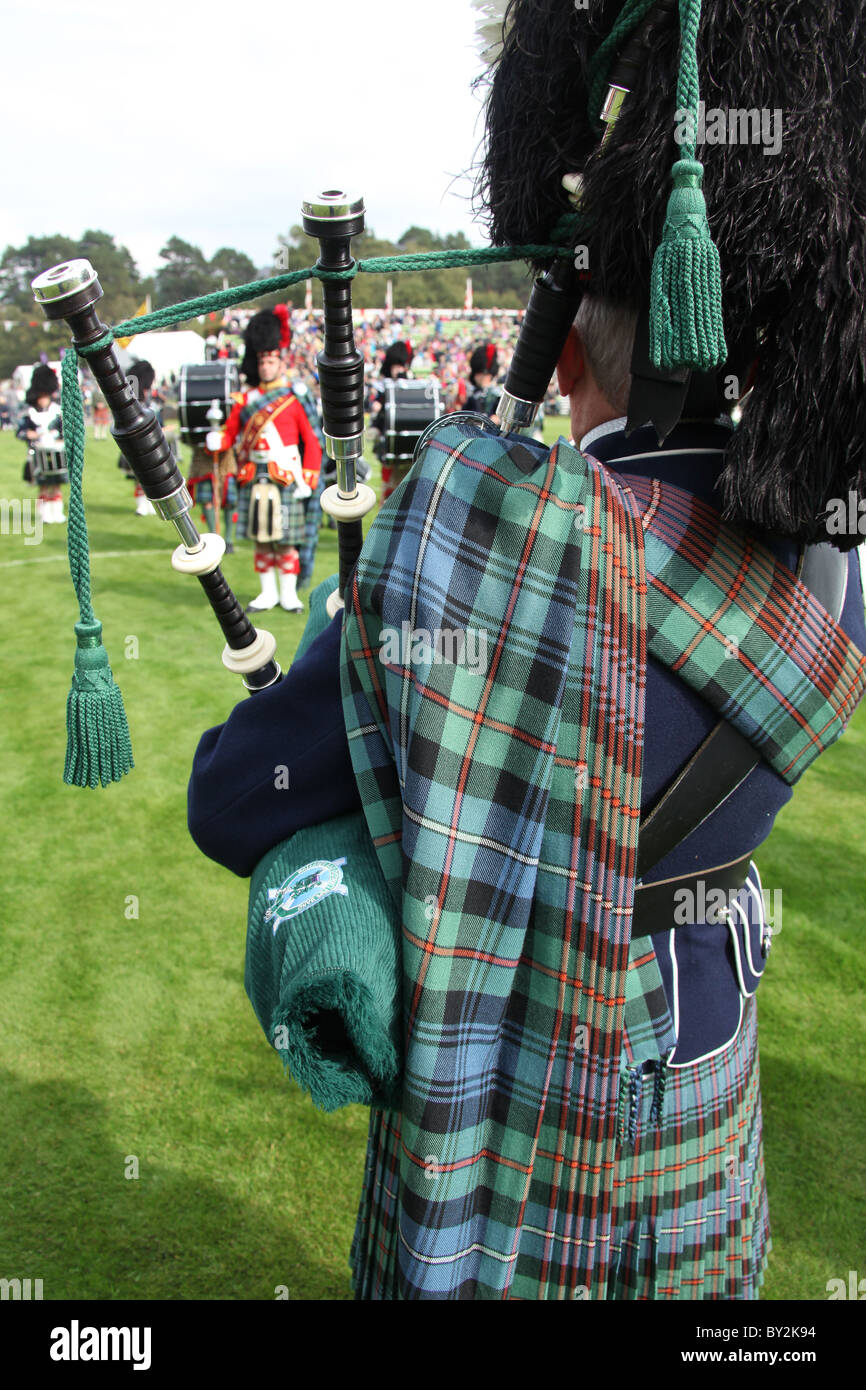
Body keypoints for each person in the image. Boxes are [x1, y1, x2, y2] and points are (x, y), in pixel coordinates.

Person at [188, 0, 866, 1300]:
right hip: (704, 1096)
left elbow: (232, 798)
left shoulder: (484, 531)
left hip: (511, 1111)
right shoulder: (829, 549)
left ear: (563, 359)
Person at [205, 306, 322, 613]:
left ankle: (288, 594)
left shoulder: (294, 398)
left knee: (285, 540)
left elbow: (312, 442)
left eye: (271, 361)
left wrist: (309, 477)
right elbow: (231, 435)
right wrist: (218, 441)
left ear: (280, 361)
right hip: (254, 475)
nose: (267, 367)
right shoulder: (245, 401)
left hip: (286, 475)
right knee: (262, 539)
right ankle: (268, 593)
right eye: (262, 361)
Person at [17, 364, 66, 522]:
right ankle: (44, 514)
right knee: (43, 486)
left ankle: (57, 513)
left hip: (56, 452)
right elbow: (20, 432)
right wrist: (29, 434)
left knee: (56, 485)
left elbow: (65, 431)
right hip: (38, 453)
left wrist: (59, 437)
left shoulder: (58, 411)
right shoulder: (29, 414)